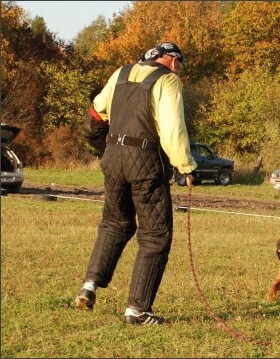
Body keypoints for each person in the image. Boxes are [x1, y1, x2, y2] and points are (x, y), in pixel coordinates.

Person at [75, 42, 197, 325]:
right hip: (145, 159)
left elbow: (95, 113)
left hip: (113, 157)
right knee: (155, 235)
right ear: (169, 60)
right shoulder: (167, 80)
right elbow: (171, 128)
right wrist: (186, 165)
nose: (180, 68)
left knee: (115, 223)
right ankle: (137, 310)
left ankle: (89, 285)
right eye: (179, 62)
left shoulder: (121, 72)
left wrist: (103, 146)